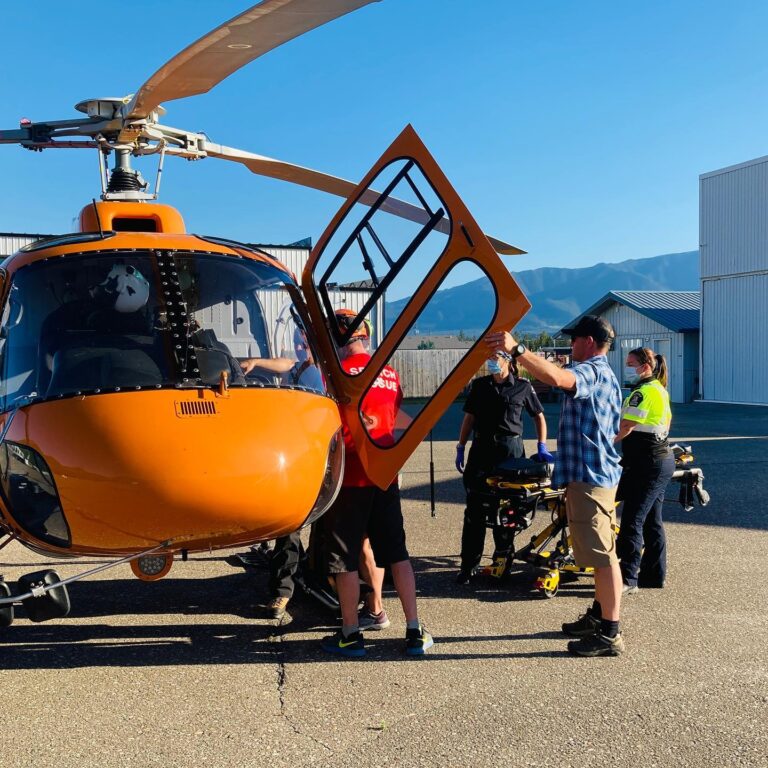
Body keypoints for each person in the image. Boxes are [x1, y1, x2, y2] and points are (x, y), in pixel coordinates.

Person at [486, 315, 625, 657]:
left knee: (604, 558)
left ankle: (609, 633)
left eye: (575, 339)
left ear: (589, 341)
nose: (571, 345)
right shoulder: (598, 371)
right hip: (588, 478)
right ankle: (598, 616)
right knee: (596, 553)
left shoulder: (593, 371)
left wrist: (517, 349)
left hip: (592, 480)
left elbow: (558, 378)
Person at [319, 308, 432, 657]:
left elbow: (327, 425)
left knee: (345, 560)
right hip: (385, 476)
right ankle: (414, 630)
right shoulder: (389, 374)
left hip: (348, 478)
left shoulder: (336, 377)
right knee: (396, 554)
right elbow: (396, 420)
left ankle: (351, 634)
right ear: (364, 336)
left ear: (339, 338)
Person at [454, 350, 553, 583]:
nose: (491, 363)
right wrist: (460, 446)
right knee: (475, 512)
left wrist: (541, 445)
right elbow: (468, 418)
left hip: (510, 452)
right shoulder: (479, 386)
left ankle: (502, 562)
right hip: (481, 451)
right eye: (488, 359)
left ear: (508, 361)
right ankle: (469, 566)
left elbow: (538, 416)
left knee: (507, 511)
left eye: (495, 359)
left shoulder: (522, 387)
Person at [614, 346, 674, 593]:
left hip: (647, 463)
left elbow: (627, 424)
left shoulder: (644, 391)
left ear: (645, 366)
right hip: (658, 460)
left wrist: (607, 443)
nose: (627, 369)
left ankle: (627, 578)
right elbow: (666, 422)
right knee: (651, 520)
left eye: (630, 364)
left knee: (632, 519)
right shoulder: (659, 389)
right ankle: (653, 575)